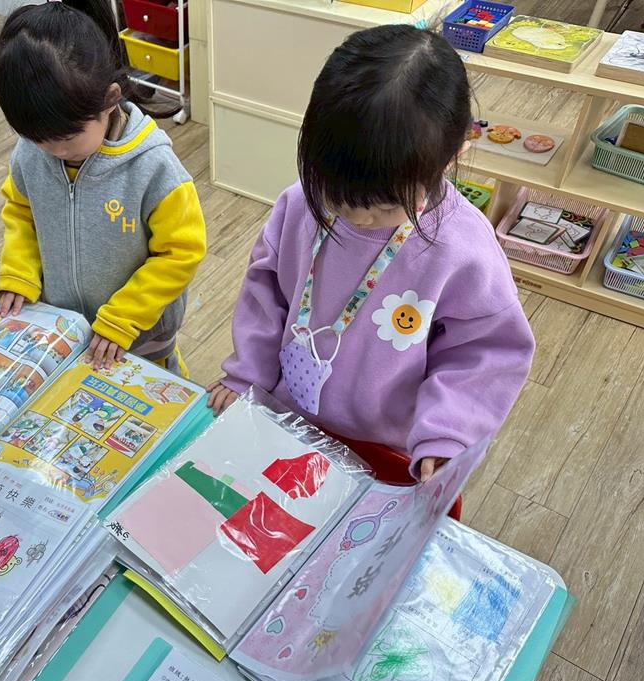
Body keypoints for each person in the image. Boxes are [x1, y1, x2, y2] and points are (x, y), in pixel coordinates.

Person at [208, 26, 535, 480]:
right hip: (284, 419)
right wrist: (248, 374)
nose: (358, 218)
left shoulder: (464, 249)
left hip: (385, 447)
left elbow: (485, 355)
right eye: (337, 196)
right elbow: (265, 296)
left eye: (383, 206)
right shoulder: (298, 205)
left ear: (453, 153)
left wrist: (447, 434)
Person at [0, 0, 207, 375]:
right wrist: (19, 271)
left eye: (66, 138)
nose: (55, 152)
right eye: (38, 139)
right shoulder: (32, 153)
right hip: (64, 328)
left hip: (138, 334)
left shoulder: (155, 168)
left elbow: (181, 252)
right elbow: (21, 212)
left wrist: (125, 315)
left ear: (109, 99)